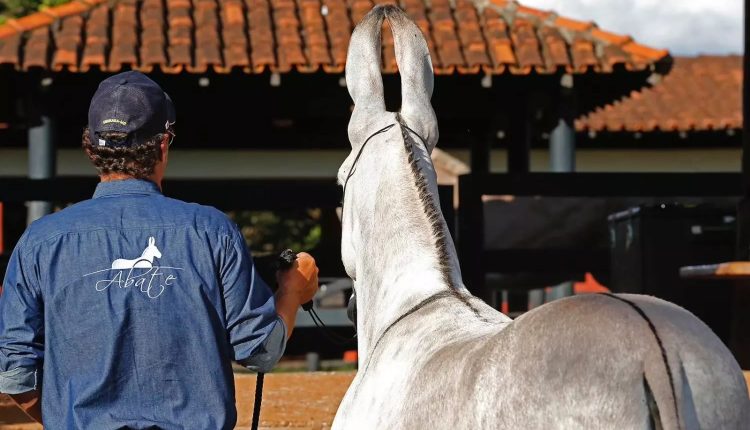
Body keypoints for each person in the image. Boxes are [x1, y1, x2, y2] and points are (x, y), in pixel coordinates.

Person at [0, 71, 319, 428]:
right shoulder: (212, 232)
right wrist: (291, 291)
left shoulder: (40, 242)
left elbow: (16, 375)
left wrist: (64, 419)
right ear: (164, 143)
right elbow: (260, 351)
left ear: (90, 146)